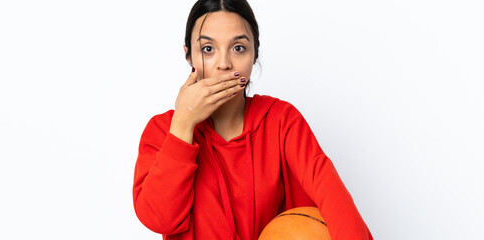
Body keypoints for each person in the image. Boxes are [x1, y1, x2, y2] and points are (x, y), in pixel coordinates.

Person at [132, 0, 373, 239]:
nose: (224, 64)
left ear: (254, 54)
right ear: (189, 57)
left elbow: (332, 196)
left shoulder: (281, 120)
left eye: (238, 48)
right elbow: (159, 219)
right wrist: (183, 126)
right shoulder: (163, 130)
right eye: (208, 49)